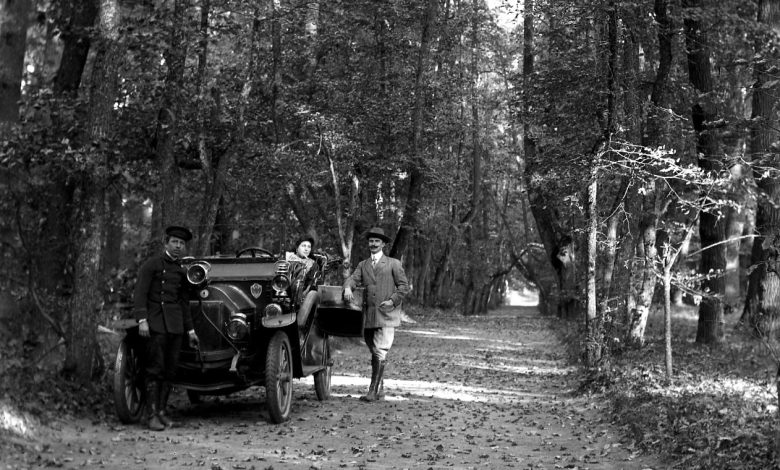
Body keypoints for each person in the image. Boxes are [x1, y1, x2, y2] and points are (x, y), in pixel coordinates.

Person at [133, 225, 200, 431]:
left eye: (181, 243)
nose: (178, 246)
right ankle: (151, 414)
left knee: (170, 371)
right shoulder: (151, 265)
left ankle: (162, 412)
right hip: (155, 323)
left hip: (176, 326)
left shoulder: (182, 272)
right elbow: (140, 293)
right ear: (166, 243)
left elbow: (183, 303)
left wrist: (190, 331)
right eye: (175, 242)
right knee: (155, 369)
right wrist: (142, 320)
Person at [343, 227, 410, 402]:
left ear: (383, 244)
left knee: (380, 352)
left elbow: (404, 287)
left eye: (377, 241)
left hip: (387, 315)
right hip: (369, 316)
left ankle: (372, 391)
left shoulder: (394, 263)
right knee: (375, 352)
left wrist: (392, 301)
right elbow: (352, 279)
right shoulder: (363, 264)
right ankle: (380, 388)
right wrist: (348, 287)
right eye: (371, 241)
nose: (373, 244)